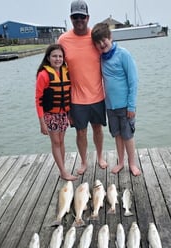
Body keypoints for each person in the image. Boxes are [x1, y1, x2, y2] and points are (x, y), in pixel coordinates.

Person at [58, 0, 107, 175]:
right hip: (76, 98)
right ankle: (84, 161)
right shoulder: (63, 39)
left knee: (97, 129)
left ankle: (100, 157)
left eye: (82, 16)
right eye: (75, 17)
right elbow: (58, 69)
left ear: (88, 17)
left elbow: (110, 57)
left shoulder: (95, 36)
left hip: (98, 95)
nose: (79, 20)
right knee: (80, 132)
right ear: (71, 18)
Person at [91, 23, 141, 176]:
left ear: (110, 37)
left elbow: (133, 81)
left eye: (104, 40)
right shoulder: (100, 58)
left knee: (128, 136)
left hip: (126, 106)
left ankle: (132, 163)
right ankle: (121, 162)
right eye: (98, 42)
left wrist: (132, 106)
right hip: (110, 106)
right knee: (117, 135)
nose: (101, 44)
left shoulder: (123, 54)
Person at [35, 43, 78, 181]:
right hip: (50, 114)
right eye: (54, 56)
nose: (58, 59)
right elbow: (38, 100)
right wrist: (42, 122)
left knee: (61, 141)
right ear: (48, 58)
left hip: (63, 113)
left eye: (60, 56)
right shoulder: (43, 75)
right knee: (56, 142)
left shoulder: (65, 71)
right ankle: (63, 171)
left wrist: (70, 114)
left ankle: (62, 169)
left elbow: (68, 94)